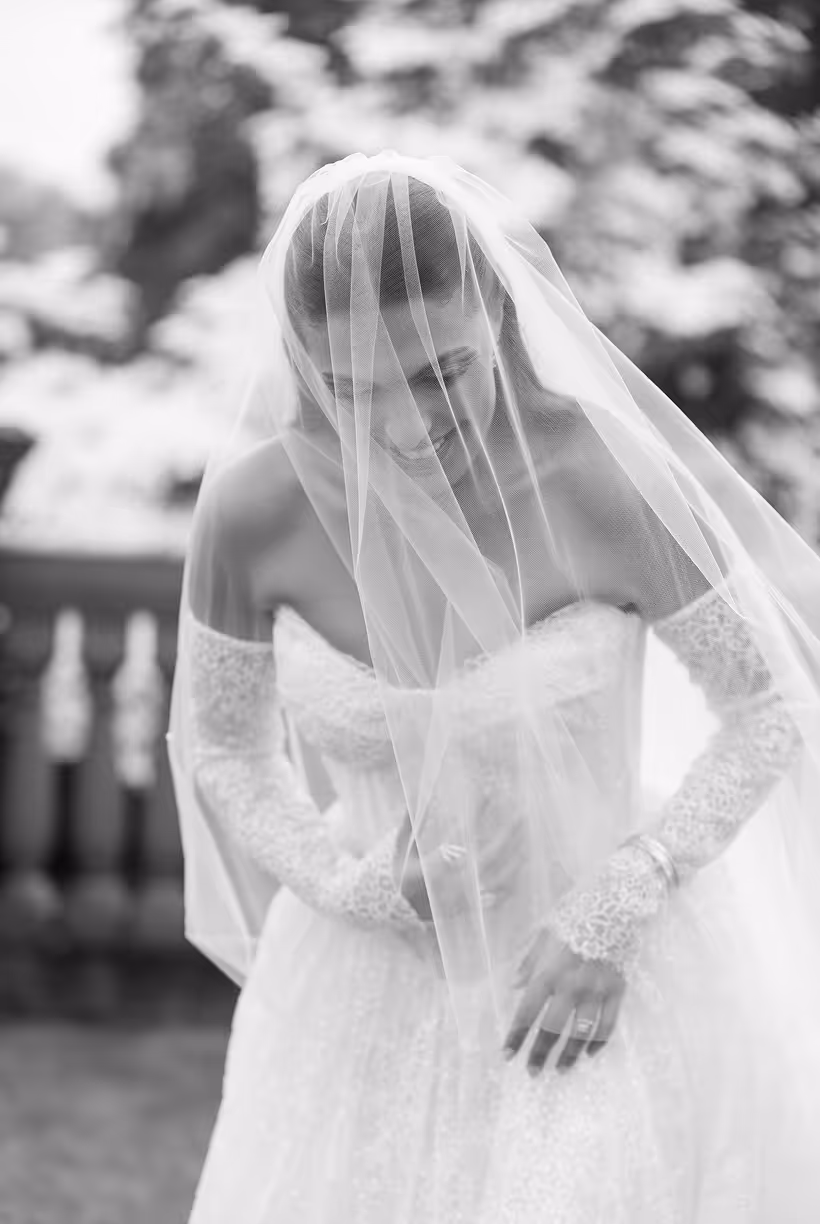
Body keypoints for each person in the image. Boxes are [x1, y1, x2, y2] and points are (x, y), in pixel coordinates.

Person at [168, 151, 820, 1223]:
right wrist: (353, 890)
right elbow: (225, 750)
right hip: (359, 991)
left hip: (606, 977)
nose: (402, 428)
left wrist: (619, 902)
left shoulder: (603, 477)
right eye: (348, 387)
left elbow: (771, 703)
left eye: (439, 371)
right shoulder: (251, 512)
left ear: (503, 317)